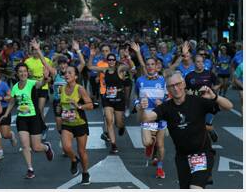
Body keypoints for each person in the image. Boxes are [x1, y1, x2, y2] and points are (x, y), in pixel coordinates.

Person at [139, 69, 233, 189]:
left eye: (178, 84)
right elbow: (146, 118)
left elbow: (229, 106)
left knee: (195, 188)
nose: (176, 88)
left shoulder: (197, 101)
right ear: (167, 89)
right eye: (171, 86)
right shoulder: (166, 108)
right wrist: (142, 108)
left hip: (202, 154)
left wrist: (214, 97)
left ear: (183, 84)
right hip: (182, 157)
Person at [0, 61, 54, 179]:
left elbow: (41, 83)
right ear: (17, 74)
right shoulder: (14, 87)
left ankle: (46, 147)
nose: (23, 74)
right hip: (21, 119)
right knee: (25, 145)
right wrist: (6, 114)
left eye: (24, 71)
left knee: (36, 147)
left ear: (27, 73)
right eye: (20, 72)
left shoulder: (32, 83)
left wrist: (45, 78)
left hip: (34, 118)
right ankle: (30, 169)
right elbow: (13, 101)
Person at [131, 42, 167, 179]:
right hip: (146, 115)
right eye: (148, 65)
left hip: (160, 115)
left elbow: (168, 97)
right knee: (147, 142)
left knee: (161, 144)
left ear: (157, 67)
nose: (150, 67)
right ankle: (150, 147)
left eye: (153, 64)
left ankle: (160, 169)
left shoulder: (163, 80)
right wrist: (137, 104)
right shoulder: (140, 80)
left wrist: (162, 102)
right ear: (145, 67)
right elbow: (135, 95)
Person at [88, 53, 129, 153]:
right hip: (108, 99)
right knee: (109, 121)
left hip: (119, 98)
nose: (111, 61)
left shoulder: (119, 69)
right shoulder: (104, 70)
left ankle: (121, 126)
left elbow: (128, 67)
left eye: (113, 60)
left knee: (119, 123)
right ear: (107, 61)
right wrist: (92, 56)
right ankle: (114, 145)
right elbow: (89, 67)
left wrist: (128, 57)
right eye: (109, 60)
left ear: (115, 60)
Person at [59, 65, 93, 185]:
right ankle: (74, 160)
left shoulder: (80, 89)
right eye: (65, 73)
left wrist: (78, 106)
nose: (66, 75)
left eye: (70, 73)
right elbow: (61, 105)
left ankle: (85, 172)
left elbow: (90, 105)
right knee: (66, 147)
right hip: (67, 123)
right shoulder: (61, 89)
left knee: (81, 151)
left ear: (76, 76)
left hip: (80, 123)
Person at [185, 54, 221, 143]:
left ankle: (207, 137)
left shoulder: (209, 73)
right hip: (195, 104)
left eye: (202, 62)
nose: (200, 64)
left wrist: (211, 91)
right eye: (198, 62)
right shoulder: (189, 76)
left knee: (205, 124)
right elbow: (185, 89)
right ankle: (210, 130)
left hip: (209, 103)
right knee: (198, 125)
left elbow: (218, 83)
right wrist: (188, 93)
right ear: (194, 63)